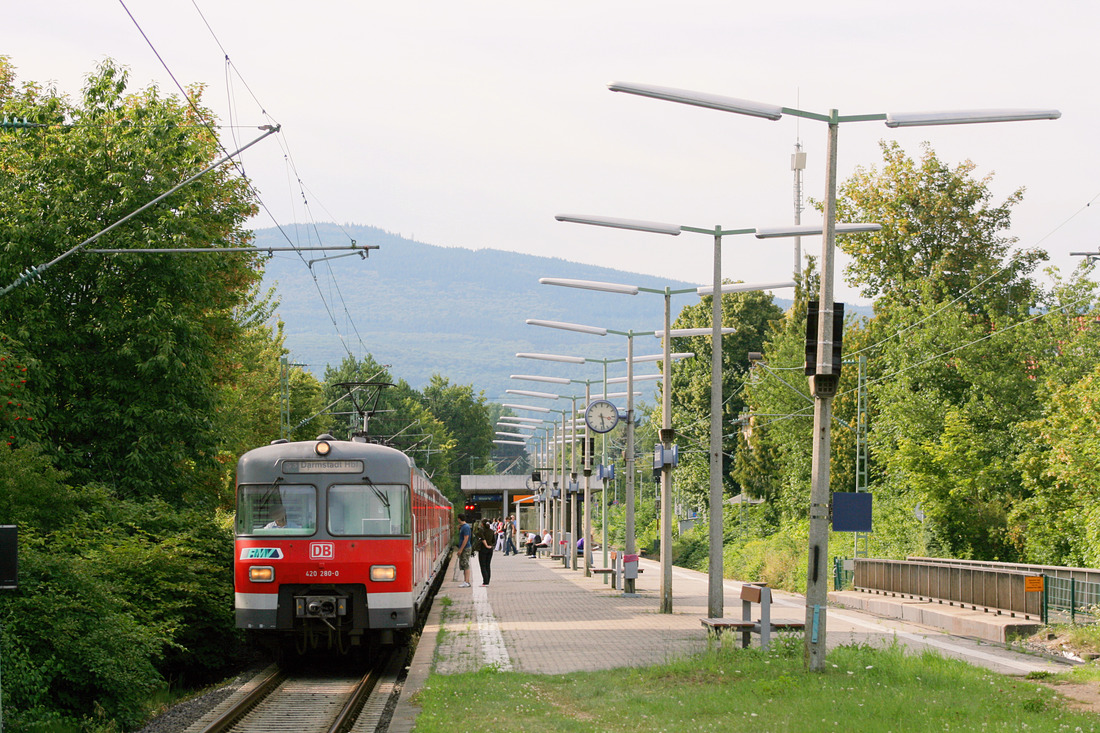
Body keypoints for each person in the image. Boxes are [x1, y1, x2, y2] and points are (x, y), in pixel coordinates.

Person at [477, 518, 495, 586]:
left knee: (483, 565)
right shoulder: (491, 531)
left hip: (483, 549)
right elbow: (494, 541)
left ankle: (485, 582)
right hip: (490, 550)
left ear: (482, 524)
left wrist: (486, 545)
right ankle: (487, 581)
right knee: (488, 565)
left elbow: (482, 539)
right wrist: (490, 546)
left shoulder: (481, 531)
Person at [456, 514, 473, 588]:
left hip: (465, 548)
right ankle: (465, 581)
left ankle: (467, 581)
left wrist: (461, 549)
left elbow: (466, 538)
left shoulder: (465, 527)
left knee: (466, 565)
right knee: (464, 564)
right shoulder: (464, 527)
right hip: (465, 548)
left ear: (459, 519)